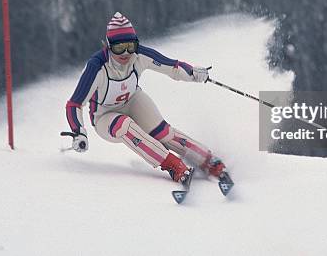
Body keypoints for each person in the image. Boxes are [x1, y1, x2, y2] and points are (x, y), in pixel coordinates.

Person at [64, 12, 226, 183]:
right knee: (125, 125)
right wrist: (78, 131)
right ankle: (174, 166)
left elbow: (173, 66)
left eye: (130, 46)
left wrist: (194, 73)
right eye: (119, 48)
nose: (126, 53)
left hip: (133, 100)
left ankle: (209, 161)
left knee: (162, 132)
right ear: (109, 46)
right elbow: (74, 104)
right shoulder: (96, 66)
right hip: (104, 115)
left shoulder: (139, 55)